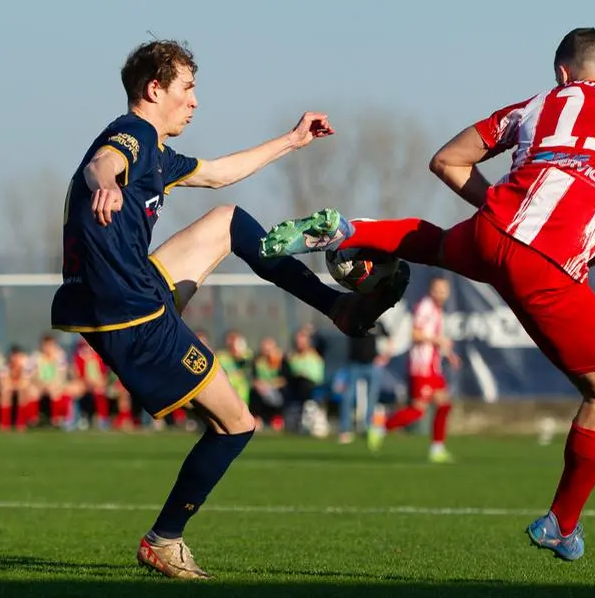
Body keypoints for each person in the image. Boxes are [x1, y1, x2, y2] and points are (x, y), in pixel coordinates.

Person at [260, 28, 595, 561]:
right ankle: (562, 523)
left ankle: (348, 229)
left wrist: (501, 215)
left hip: (494, 230)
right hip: (549, 263)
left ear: (563, 75)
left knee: (433, 243)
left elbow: (447, 161)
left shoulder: (542, 103)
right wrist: (568, 255)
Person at [50, 39, 408, 579]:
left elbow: (217, 173)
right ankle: (163, 540)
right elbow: (104, 163)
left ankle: (337, 307)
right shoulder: (131, 136)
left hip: (124, 286)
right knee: (237, 424)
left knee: (228, 220)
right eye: (187, 89)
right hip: (131, 312)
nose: (194, 102)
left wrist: (292, 141)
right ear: (155, 89)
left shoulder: (156, 149)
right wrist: (104, 185)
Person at [367, 276, 460, 463]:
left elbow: (433, 336)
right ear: (431, 291)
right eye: (438, 290)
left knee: (444, 405)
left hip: (433, 368)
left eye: (444, 291)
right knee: (418, 411)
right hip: (421, 367)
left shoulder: (437, 310)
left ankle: (437, 448)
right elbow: (415, 334)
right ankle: (380, 427)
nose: (441, 294)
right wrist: (438, 341)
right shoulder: (425, 307)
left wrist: (448, 353)